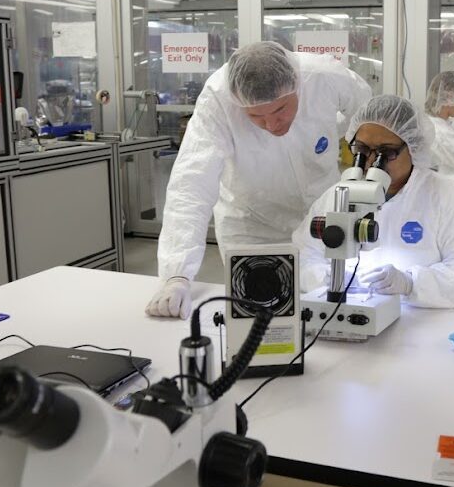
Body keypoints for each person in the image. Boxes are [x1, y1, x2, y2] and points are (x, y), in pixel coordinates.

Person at [146, 42, 372, 317]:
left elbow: (368, 114)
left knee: (331, 307)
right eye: (255, 116)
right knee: (257, 312)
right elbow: (191, 184)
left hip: (321, 219)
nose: (271, 124)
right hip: (251, 224)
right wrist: (177, 275)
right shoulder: (217, 99)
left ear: (298, 86)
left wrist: (343, 136)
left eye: (280, 110)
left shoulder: (323, 76)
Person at [294, 95, 454, 308]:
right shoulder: (338, 195)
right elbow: (302, 256)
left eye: (386, 153)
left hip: (424, 324)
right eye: (361, 150)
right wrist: (328, 277)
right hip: (348, 313)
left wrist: (410, 283)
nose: (370, 161)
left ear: (413, 147)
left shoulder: (446, 197)